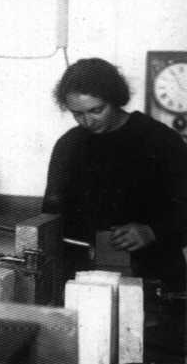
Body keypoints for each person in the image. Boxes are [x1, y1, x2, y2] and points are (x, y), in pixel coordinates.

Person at [43, 57, 187, 293]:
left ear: (115, 99)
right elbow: (51, 212)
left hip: (154, 273)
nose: (87, 121)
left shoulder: (160, 140)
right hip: (84, 275)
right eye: (77, 113)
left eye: (96, 110)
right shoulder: (69, 145)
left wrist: (153, 231)